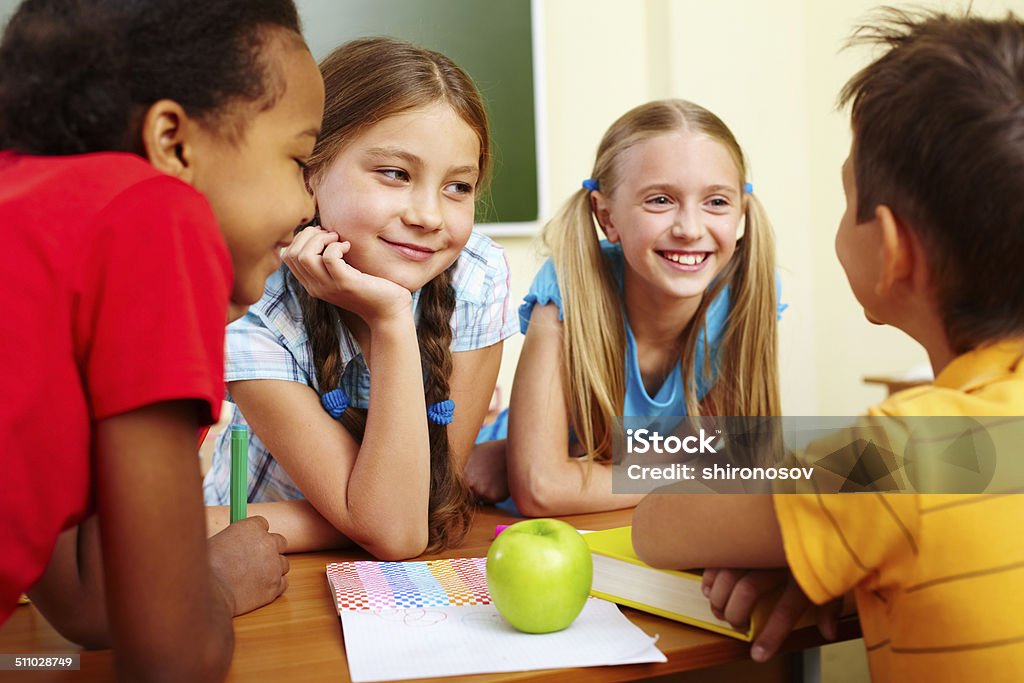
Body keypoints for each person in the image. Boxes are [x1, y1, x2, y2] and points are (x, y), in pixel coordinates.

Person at [632, 10, 1024, 681]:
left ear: (894, 253)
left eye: (847, 199)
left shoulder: (905, 457)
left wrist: (811, 528)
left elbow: (657, 524)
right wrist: (830, 553)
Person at [0, 1, 324, 679]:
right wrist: (221, 585)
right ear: (173, 143)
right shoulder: (151, 217)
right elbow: (171, 661)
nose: (307, 206)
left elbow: (91, 605)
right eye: (300, 159)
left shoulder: (31, 210)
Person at [203, 37, 516, 559]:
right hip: (257, 564)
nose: (429, 216)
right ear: (313, 169)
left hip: (357, 566)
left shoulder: (477, 276)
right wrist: (394, 320)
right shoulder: (254, 301)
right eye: (395, 174)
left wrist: (389, 315)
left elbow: (419, 513)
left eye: (458, 187)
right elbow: (402, 527)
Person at [466, 99, 783, 515]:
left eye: (717, 202)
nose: (690, 229)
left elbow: (728, 457)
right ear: (607, 216)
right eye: (659, 200)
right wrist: (693, 468)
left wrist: (580, 464)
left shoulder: (746, 294)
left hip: (618, 507)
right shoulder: (569, 287)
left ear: (740, 210)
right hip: (492, 501)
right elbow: (541, 488)